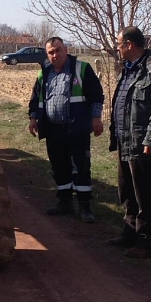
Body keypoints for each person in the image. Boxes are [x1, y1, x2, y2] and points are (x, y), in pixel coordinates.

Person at [107, 26, 151, 258]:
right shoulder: (129, 69)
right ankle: (130, 231)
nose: (117, 47)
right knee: (127, 188)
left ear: (129, 44)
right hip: (126, 139)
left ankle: (146, 240)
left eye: (118, 43)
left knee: (144, 191)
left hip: (142, 141)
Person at [28, 36, 105, 223]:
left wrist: (96, 118)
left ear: (66, 49)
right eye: (51, 52)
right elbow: (36, 98)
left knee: (80, 167)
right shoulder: (44, 73)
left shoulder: (82, 69)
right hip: (53, 129)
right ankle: (65, 202)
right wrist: (33, 118)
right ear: (47, 55)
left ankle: (85, 206)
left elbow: (96, 95)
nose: (55, 55)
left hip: (76, 128)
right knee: (59, 166)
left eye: (58, 50)